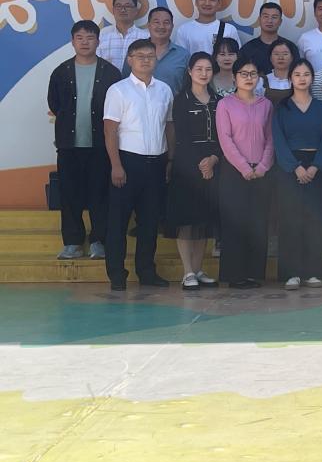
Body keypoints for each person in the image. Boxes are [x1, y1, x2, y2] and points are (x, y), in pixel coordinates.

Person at [103, 39, 174, 290]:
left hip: (157, 162)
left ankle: (146, 272)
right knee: (118, 222)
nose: (146, 60)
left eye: (150, 56)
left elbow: (169, 126)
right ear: (129, 59)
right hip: (127, 162)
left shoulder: (164, 90)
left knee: (150, 222)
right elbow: (110, 130)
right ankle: (117, 274)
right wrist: (116, 165)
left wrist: (170, 160)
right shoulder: (118, 90)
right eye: (140, 56)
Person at [48, 20, 122, 260]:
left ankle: (99, 241)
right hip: (69, 146)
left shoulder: (110, 73)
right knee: (69, 195)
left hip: (100, 145)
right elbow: (54, 104)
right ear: (72, 41)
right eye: (79, 38)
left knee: (100, 194)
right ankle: (72, 242)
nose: (84, 42)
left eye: (90, 38)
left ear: (98, 41)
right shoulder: (61, 71)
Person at [273, 59, 322, 290]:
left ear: (312, 78)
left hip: (316, 166)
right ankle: (291, 274)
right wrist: (294, 166)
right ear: (290, 79)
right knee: (290, 220)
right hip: (290, 167)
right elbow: (278, 140)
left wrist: (316, 166)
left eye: (306, 74)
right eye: (297, 74)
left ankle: (312, 273)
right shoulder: (282, 108)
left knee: (314, 219)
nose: (302, 78)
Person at [216, 58, 275, 288]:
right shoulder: (225, 104)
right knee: (235, 223)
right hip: (234, 172)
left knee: (257, 223)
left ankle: (253, 273)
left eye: (253, 73)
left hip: (261, 172)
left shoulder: (266, 105)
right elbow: (225, 139)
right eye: (243, 73)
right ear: (234, 77)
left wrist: (262, 166)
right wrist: (243, 167)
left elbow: (270, 138)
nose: (249, 78)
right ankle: (235, 274)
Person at [165, 52, 221, 290]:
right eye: (199, 69)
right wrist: (201, 163)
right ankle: (187, 272)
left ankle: (198, 269)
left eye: (208, 69)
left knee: (204, 221)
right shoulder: (182, 100)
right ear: (189, 71)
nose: (204, 73)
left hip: (214, 165)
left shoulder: (219, 100)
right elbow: (182, 136)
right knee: (186, 220)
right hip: (187, 166)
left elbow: (222, 134)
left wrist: (213, 160)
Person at [173, 0, 241, 55]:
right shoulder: (184, 30)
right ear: (196, 2)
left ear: (219, 3)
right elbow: (180, 58)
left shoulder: (229, 30)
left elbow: (237, 57)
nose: (207, 3)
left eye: (212, 0)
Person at [136, 7, 189, 96]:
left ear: (172, 26)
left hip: (172, 104)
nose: (161, 26)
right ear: (149, 25)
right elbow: (126, 81)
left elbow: (188, 88)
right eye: (156, 22)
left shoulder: (183, 55)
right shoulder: (136, 51)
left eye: (166, 23)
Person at [239, 2, 299, 75]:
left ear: (280, 21)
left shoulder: (290, 47)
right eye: (266, 16)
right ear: (259, 20)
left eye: (274, 17)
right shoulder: (247, 49)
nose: (269, 21)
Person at [98, 0, 148, 72]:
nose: (123, 10)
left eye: (127, 6)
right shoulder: (102, 37)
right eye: (118, 6)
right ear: (113, 10)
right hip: (109, 80)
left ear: (136, 11)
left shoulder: (146, 37)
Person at [262, 38, 295, 106]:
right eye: (276, 54)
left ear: (292, 57)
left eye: (285, 54)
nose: (281, 58)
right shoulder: (261, 81)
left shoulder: (298, 80)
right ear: (270, 58)